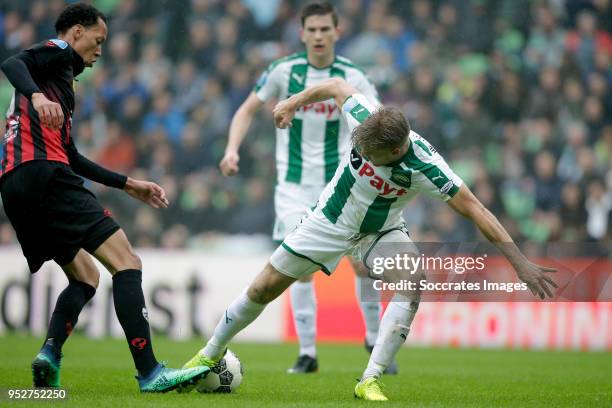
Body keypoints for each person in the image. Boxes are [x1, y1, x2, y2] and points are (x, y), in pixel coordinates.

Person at [184, 77, 557, 401]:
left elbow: (476, 208)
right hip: (328, 220)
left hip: (380, 231)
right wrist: (293, 102)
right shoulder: (367, 116)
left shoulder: (425, 167)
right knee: (264, 287)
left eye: (369, 154)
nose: (360, 153)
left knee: (413, 281)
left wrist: (519, 262)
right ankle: (208, 354)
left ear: (396, 151)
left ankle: (370, 378)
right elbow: (336, 87)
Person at [0, 3, 208, 392]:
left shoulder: (57, 82)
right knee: (126, 261)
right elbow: (12, 63)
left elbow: (73, 155)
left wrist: (129, 183)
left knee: (86, 275)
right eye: (98, 40)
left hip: (15, 185)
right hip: (45, 174)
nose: (100, 50)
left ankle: (49, 352)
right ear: (76, 32)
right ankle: (150, 372)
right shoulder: (58, 54)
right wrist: (36, 97)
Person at [219, 1, 393, 374]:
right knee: (297, 268)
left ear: (336, 33)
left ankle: (375, 340)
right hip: (294, 187)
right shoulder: (284, 71)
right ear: (301, 34)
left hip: (345, 188)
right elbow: (247, 108)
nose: (318, 36)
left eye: (324, 29)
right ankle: (308, 352)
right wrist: (232, 150)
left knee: (364, 264)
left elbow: (378, 120)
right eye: (311, 30)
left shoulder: (353, 77)